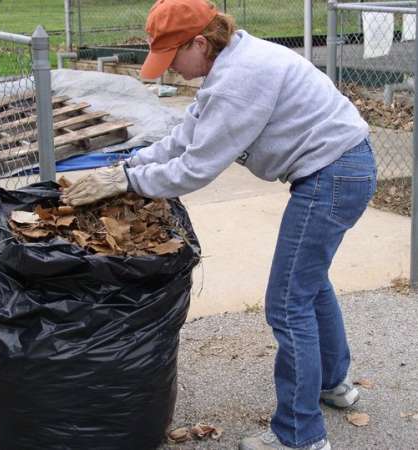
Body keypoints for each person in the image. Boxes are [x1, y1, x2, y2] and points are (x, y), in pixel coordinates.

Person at [61, 0, 377, 448]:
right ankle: (334, 384)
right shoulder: (232, 63)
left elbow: (195, 168)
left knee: (287, 304)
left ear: (199, 42)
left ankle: (299, 436)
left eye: (174, 57)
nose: (172, 69)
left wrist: (126, 180)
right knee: (307, 286)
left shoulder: (239, 81)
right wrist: (127, 164)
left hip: (332, 176)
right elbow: (183, 137)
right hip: (341, 169)